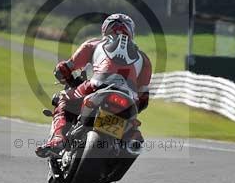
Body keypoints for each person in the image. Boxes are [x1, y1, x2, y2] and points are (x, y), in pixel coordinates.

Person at [35, 13, 152, 157]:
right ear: (131, 32)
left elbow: (63, 69)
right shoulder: (145, 59)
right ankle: (133, 138)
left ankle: (58, 139)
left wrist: (67, 78)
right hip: (129, 97)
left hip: (96, 86)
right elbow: (144, 98)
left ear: (105, 29)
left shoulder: (94, 44)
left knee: (63, 99)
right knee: (132, 125)